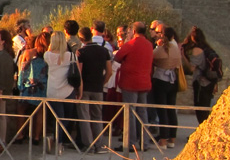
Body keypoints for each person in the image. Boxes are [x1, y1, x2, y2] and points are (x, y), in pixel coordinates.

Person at [114, 22, 154, 151]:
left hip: (130, 82)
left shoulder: (130, 44)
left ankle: (130, 143)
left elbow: (118, 57)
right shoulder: (149, 45)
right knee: (143, 112)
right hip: (144, 82)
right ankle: (145, 142)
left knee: (130, 113)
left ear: (133, 31)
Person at [76, 26, 112, 152]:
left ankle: (88, 145)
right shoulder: (103, 51)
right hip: (98, 88)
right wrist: (102, 82)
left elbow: (79, 73)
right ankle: (99, 144)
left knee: (84, 117)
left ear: (81, 38)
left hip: (85, 87)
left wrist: (79, 90)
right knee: (97, 116)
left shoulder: (81, 52)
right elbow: (109, 71)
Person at [44, 32, 78, 150]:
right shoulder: (71, 56)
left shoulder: (47, 55)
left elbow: (49, 52)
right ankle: (59, 142)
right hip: (68, 89)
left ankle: (56, 141)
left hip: (53, 90)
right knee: (66, 118)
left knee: (58, 118)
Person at [151, 26, 182, 147]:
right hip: (172, 80)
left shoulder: (161, 49)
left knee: (162, 110)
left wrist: (158, 46)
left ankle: (163, 138)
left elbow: (152, 58)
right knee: (171, 109)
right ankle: (172, 138)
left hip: (161, 79)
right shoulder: (175, 49)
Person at [17, 32, 50, 143]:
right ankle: (36, 137)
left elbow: (22, 70)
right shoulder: (48, 54)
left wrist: (20, 85)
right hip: (42, 86)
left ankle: (20, 134)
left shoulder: (29, 52)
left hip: (29, 85)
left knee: (21, 109)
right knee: (40, 111)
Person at [182, 26, 216, 123]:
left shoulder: (197, 50)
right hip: (209, 82)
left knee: (200, 109)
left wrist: (184, 56)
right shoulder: (207, 48)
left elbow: (192, 68)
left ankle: (202, 131)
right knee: (205, 108)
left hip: (201, 83)